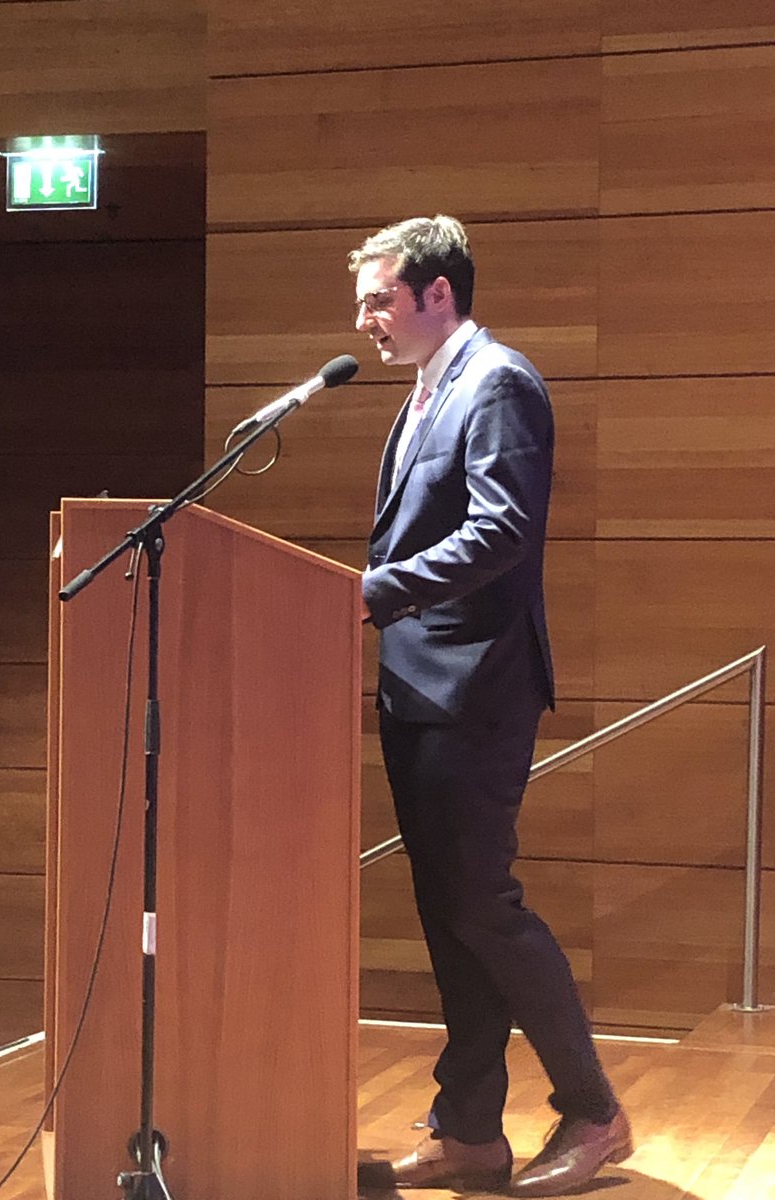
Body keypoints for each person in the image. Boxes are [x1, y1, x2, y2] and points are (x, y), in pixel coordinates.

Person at [351, 215, 633, 1196]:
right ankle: (469, 1131)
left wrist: (375, 594)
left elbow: (502, 531)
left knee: (482, 902)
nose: (366, 320)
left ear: (438, 293)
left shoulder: (497, 382)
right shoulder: (428, 391)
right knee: (449, 913)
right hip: (417, 685)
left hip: (477, 685)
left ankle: (593, 1111)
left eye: (379, 299)